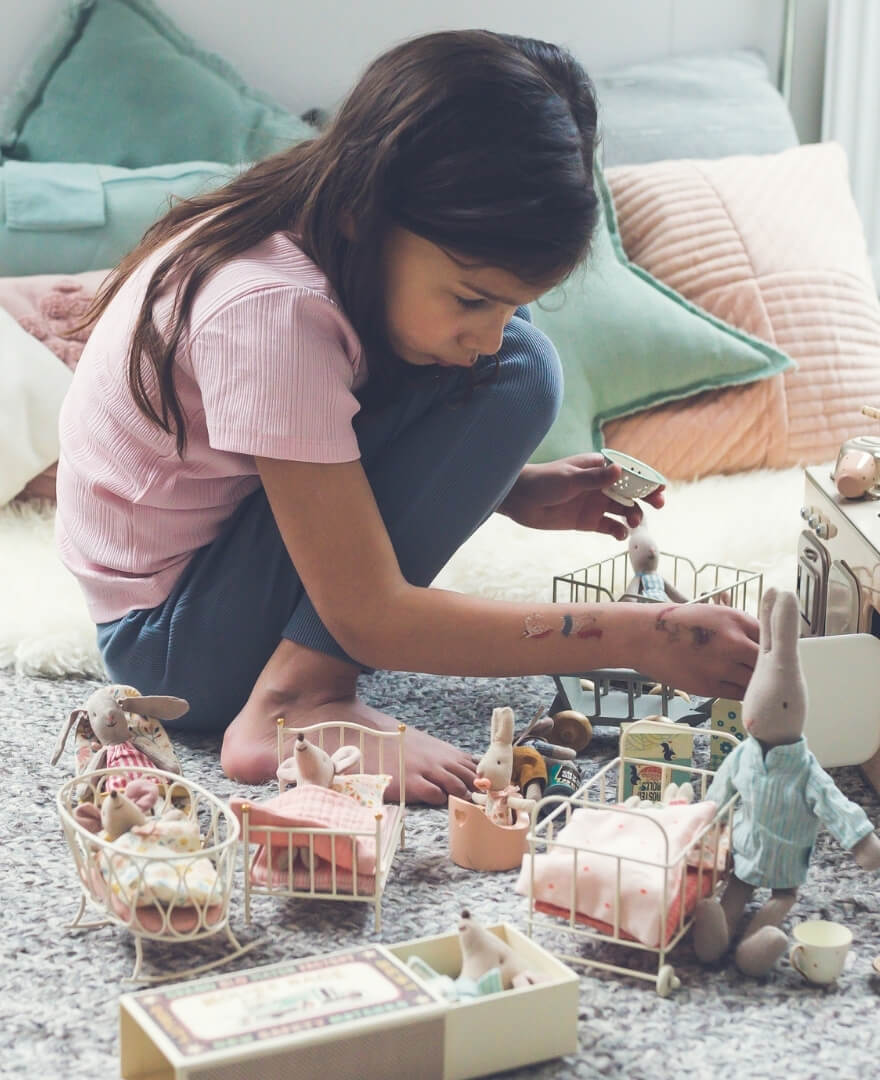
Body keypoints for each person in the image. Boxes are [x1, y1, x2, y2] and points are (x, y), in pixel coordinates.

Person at [57, 30, 759, 805]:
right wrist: (636, 638)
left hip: (213, 574)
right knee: (520, 372)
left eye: (509, 302)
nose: (487, 332)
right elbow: (370, 618)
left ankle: (297, 684)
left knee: (509, 363)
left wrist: (503, 486)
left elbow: (289, 450)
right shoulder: (270, 310)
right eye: (471, 298)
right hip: (177, 651)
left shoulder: (318, 225)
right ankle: (292, 703)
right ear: (368, 212)